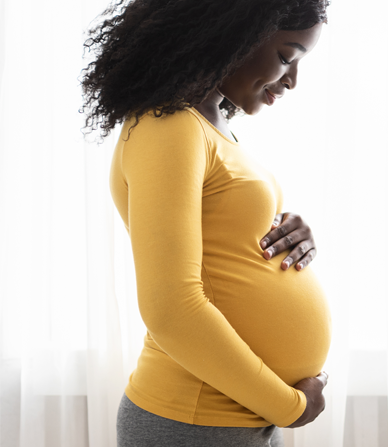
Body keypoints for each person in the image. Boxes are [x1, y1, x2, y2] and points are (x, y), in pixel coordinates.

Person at [80, 1, 332, 445]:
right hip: (194, 422)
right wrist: (289, 406)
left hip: (230, 418)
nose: (292, 81)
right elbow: (171, 310)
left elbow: (223, 241)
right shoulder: (169, 125)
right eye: (286, 57)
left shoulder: (206, 123)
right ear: (234, 35)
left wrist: (291, 230)